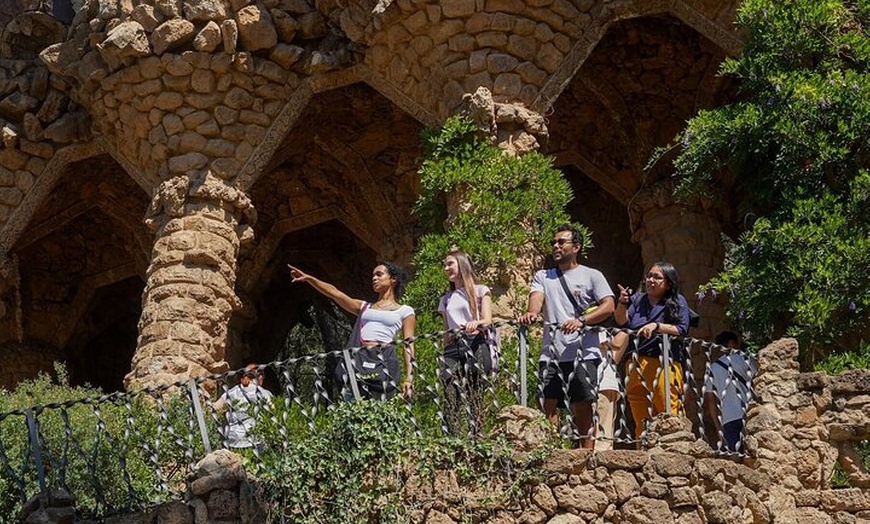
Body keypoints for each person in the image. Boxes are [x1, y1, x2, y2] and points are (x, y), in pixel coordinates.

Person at [518, 225, 615, 449]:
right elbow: (536, 298)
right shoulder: (544, 276)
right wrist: (532, 313)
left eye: (562, 242)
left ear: (576, 247)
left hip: (583, 351)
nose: (556, 246)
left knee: (583, 403)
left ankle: (586, 455)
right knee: (547, 402)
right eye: (554, 243)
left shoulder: (592, 275)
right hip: (551, 353)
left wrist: (581, 321)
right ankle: (550, 450)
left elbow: (609, 306)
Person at [289, 262, 415, 400]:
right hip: (359, 360)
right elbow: (335, 293)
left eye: (379, 274)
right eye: (373, 275)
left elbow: (408, 343)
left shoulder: (405, 311)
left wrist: (409, 377)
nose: (374, 278)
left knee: (380, 409)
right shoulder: (365, 307)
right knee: (353, 406)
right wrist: (309, 279)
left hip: (383, 362)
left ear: (393, 279)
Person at [614, 261, 691, 441]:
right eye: (649, 276)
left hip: (664, 362)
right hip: (636, 362)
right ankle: (644, 450)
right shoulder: (638, 299)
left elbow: (681, 329)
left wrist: (657, 326)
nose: (651, 280)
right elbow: (621, 320)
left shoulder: (678, 301)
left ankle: (674, 448)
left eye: (657, 277)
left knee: (668, 410)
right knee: (640, 413)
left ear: (669, 282)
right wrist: (622, 302)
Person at [438, 247, 495, 435]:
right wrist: (445, 349)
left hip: (475, 341)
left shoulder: (480, 290)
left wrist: (475, 323)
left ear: (462, 264)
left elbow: (488, 320)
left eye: (450, 264)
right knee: (449, 390)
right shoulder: (446, 299)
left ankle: (476, 436)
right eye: (445, 265)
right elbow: (446, 330)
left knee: (474, 392)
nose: (446, 268)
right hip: (453, 346)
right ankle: (451, 438)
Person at [704, 331, 757, 452]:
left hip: (728, 419)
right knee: (753, 455)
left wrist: (718, 426)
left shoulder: (712, 368)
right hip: (750, 414)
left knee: (734, 456)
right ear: (732, 343)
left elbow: (711, 401)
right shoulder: (747, 359)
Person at [214, 363, 274, 451]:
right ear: (259, 377)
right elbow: (273, 415)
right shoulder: (265, 394)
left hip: (233, 441)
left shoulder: (231, 393)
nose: (262, 377)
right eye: (261, 374)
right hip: (256, 441)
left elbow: (215, 409)